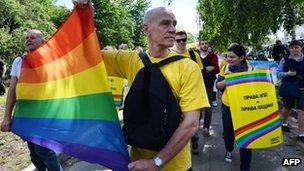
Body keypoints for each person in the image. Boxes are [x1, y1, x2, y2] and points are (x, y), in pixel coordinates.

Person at [73, 1, 210, 170]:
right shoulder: (130, 60)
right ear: (146, 30)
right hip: (137, 163)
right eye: (165, 23)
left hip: (176, 166)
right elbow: (88, 55)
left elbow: (191, 123)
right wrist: (85, 17)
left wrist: (156, 162)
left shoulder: (188, 67)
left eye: (174, 24)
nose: (173, 29)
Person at [0, 29, 62, 171]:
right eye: (26, 38)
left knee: (43, 151)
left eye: (32, 37)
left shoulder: (52, 59)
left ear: (43, 41)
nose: (28, 39)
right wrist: (7, 117)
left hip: (46, 115)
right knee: (34, 153)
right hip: (26, 115)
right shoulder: (19, 61)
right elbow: (12, 91)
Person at [216, 44, 252, 171]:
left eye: (232, 57)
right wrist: (228, 79)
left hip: (245, 106)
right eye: (227, 56)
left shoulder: (250, 68)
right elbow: (218, 85)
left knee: (246, 134)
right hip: (228, 104)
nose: (228, 59)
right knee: (228, 131)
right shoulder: (226, 67)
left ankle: (245, 166)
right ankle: (229, 149)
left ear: (242, 57)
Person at [172, 30, 205, 155]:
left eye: (183, 40)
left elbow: (200, 74)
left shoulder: (193, 54)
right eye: (178, 40)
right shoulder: (169, 54)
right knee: (177, 122)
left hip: (192, 95)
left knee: (192, 122)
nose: (181, 42)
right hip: (175, 95)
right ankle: (177, 148)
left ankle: (195, 141)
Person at [277, 40, 304, 142]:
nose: (294, 49)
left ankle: (301, 134)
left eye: (297, 47)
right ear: (289, 49)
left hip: (302, 88)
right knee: (287, 108)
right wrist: (287, 74)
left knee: (302, 111)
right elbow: (278, 73)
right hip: (290, 87)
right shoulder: (284, 59)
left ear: (301, 48)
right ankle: (283, 123)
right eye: (292, 48)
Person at [198, 40, 219, 136]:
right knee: (197, 107)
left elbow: (216, 68)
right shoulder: (196, 55)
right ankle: (196, 124)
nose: (204, 45)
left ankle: (206, 127)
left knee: (208, 107)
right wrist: (207, 68)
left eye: (206, 43)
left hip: (209, 85)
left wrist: (203, 69)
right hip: (197, 85)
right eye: (202, 43)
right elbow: (195, 68)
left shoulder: (212, 56)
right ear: (199, 45)